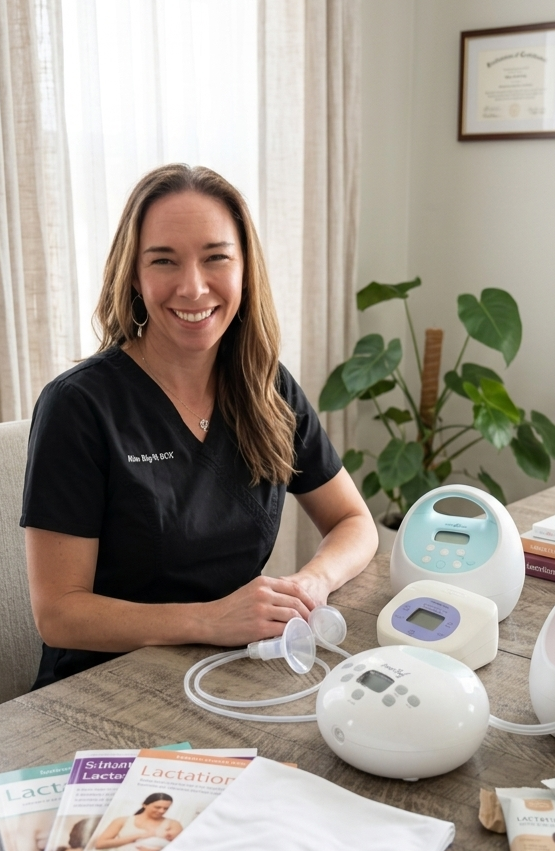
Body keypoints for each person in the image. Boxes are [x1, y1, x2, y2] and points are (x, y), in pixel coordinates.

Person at [21, 163, 377, 688]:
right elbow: (59, 614)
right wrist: (210, 619)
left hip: (232, 673)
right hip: (105, 689)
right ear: (135, 277)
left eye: (216, 258)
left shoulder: (266, 387)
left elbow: (354, 521)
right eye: (164, 261)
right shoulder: (78, 407)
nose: (192, 287)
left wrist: (310, 584)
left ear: (244, 271)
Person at [94, 793, 182, 851]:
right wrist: (138, 836)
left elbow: (180, 850)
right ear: (144, 804)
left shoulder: (173, 824)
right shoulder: (122, 820)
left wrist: (154, 850)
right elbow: (100, 844)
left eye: (166, 808)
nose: (162, 811)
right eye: (157, 807)